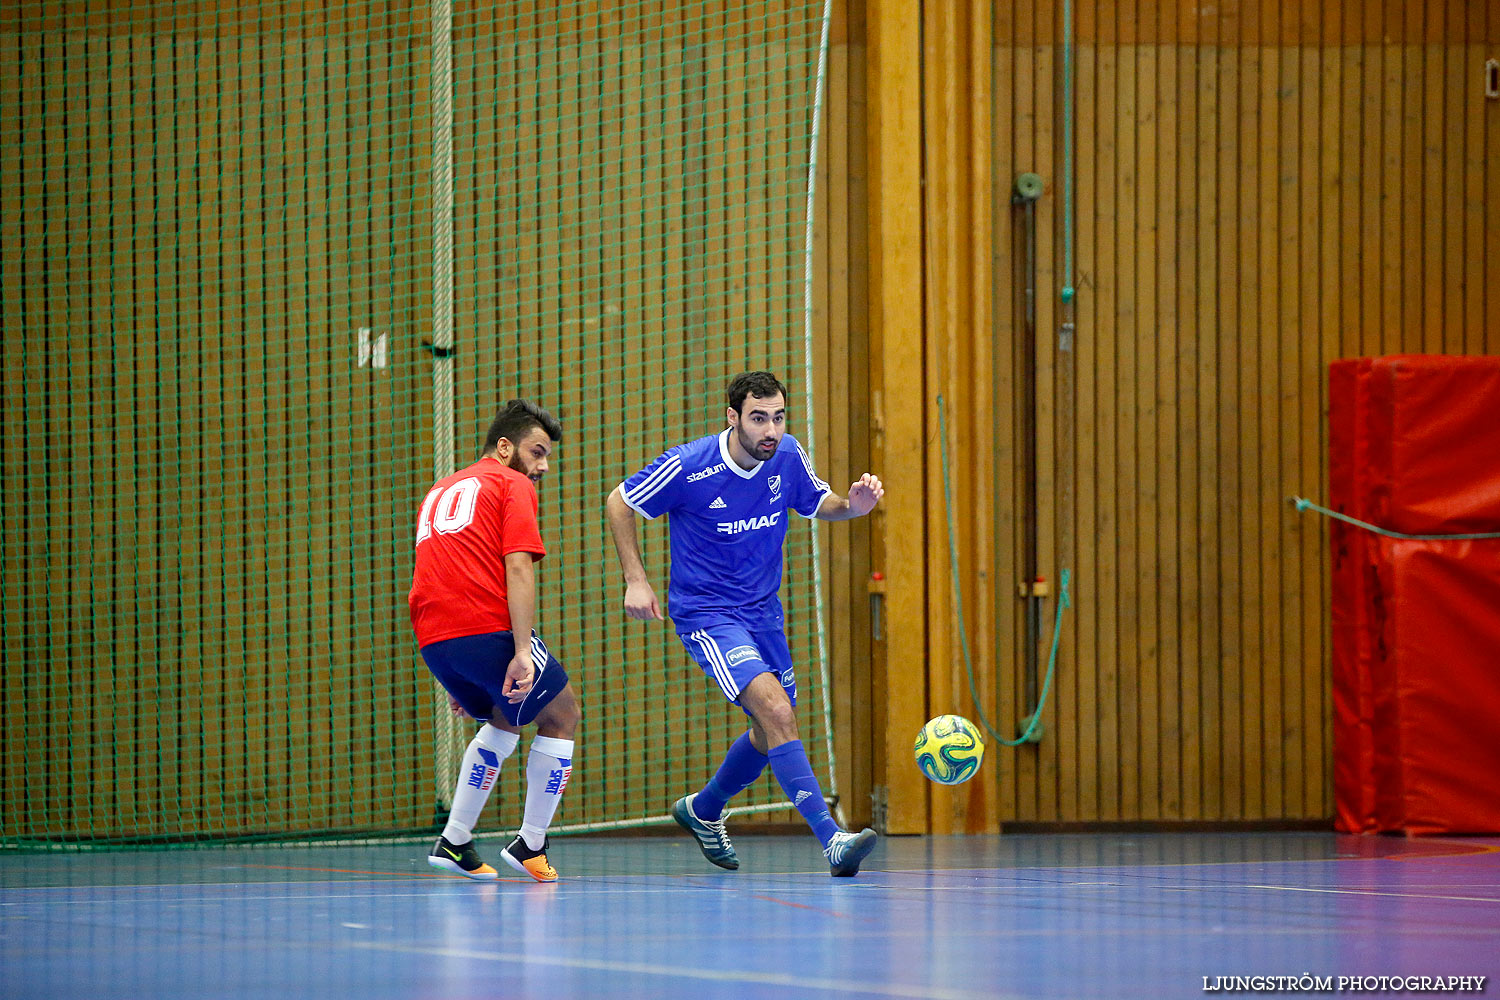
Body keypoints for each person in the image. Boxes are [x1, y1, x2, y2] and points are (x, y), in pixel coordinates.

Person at [606, 371, 884, 877]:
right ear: (733, 417)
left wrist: (853, 508)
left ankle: (704, 809)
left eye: (778, 417)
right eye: (758, 419)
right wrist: (636, 579)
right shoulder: (690, 466)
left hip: (764, 614)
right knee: (777, 712)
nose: (770, 430)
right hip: (708, 615)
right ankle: (833, 841)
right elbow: (620, 502)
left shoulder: (787, 455)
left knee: (769, 729)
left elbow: (818, 502)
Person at [409, 399, 581, 882]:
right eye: (537, 452)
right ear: (505, 448)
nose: (543, 466)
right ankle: (532, 842)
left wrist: (454, 673)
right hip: (484, 625)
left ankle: (455, 838)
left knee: (506, 718)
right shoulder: (512, 484)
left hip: (435, 637)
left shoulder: (442, 488)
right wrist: (522, 651)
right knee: (563, 713)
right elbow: (519, 565)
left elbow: (433, 570)